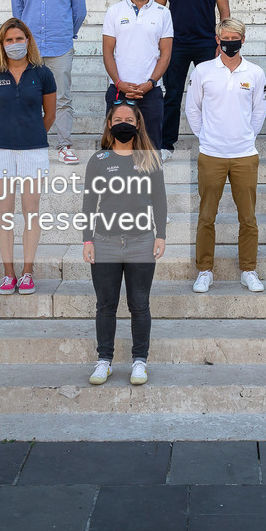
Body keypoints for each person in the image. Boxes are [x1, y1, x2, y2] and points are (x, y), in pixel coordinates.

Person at [82, 101, 168, 387]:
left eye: (128, 119)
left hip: (141, 242)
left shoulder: (149, 158)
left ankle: (139, 362)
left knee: (139, 304)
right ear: (109, 124)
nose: (123, 123)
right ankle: (104, 360)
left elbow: (160, 200)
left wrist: (161, 234)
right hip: (105, 242)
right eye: (117, 118)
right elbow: (88, 203)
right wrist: (87, 239)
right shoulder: (99, 160)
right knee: (105, 304)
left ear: (137, 124)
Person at [185, 18, 266, 294]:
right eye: (225, 39)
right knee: (206, 216)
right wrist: (207, 138)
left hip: (245, 155)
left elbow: (258, 113)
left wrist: (245, 137)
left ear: (243, 41)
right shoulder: (203, 71)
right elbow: (193, 110)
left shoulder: (255, 72)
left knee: (249, 218)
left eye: (235, 39)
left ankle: (249, 270)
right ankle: (204, 271)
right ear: (217, 40)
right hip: (211, 155)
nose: (229, 44)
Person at [0, 18, 58, 294]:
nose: (15, 44)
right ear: (2, 44)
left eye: (19, 39)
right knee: (4, 215)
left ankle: (27, 272)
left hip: (34, 151)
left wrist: (31, 134)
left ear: (28, 41)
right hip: (0, 151)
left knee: (31, 213)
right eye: (9, 40)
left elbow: (49, 115)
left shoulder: (43, 74)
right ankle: (8, 273)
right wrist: (6, 136)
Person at [154, 0, 231, 161]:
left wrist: (223, 40)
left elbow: (224, 11)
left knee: (211, 93)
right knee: (173, 94)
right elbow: (158, 12)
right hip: (175, 45)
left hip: (207, 43)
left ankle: (214, 140)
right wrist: (157, 42)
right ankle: (166, 144)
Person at [10, 0, 86, 164]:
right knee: (26, 97)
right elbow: (18, 14)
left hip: (60, 46)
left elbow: (79, 11)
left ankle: (64, 145)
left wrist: (66, 33)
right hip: (30, 50)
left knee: (62, 97)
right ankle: (29, 144)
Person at [101, 0, 173, 151]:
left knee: (151, 148)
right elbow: (108, 52)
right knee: (115, 148)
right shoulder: (114, 11)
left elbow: (165, 53)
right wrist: (119, 83)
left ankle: (151, 181)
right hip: (119, 89)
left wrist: (150, 83)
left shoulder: (163, 13)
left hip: (151, 90)